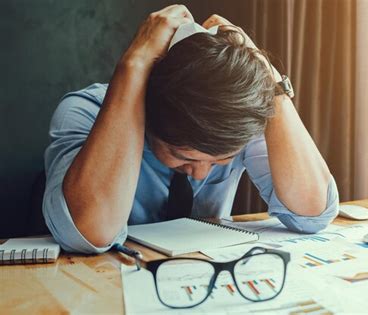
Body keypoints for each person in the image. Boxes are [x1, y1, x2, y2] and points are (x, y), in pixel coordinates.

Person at [43, 4, 339, 253]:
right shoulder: (83, 112)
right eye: (183, 156)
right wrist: (135, 64)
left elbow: (311, 214)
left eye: (220, 160)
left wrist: (269, 83)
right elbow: (87, 234)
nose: (200, 174)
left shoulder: (235, 120)